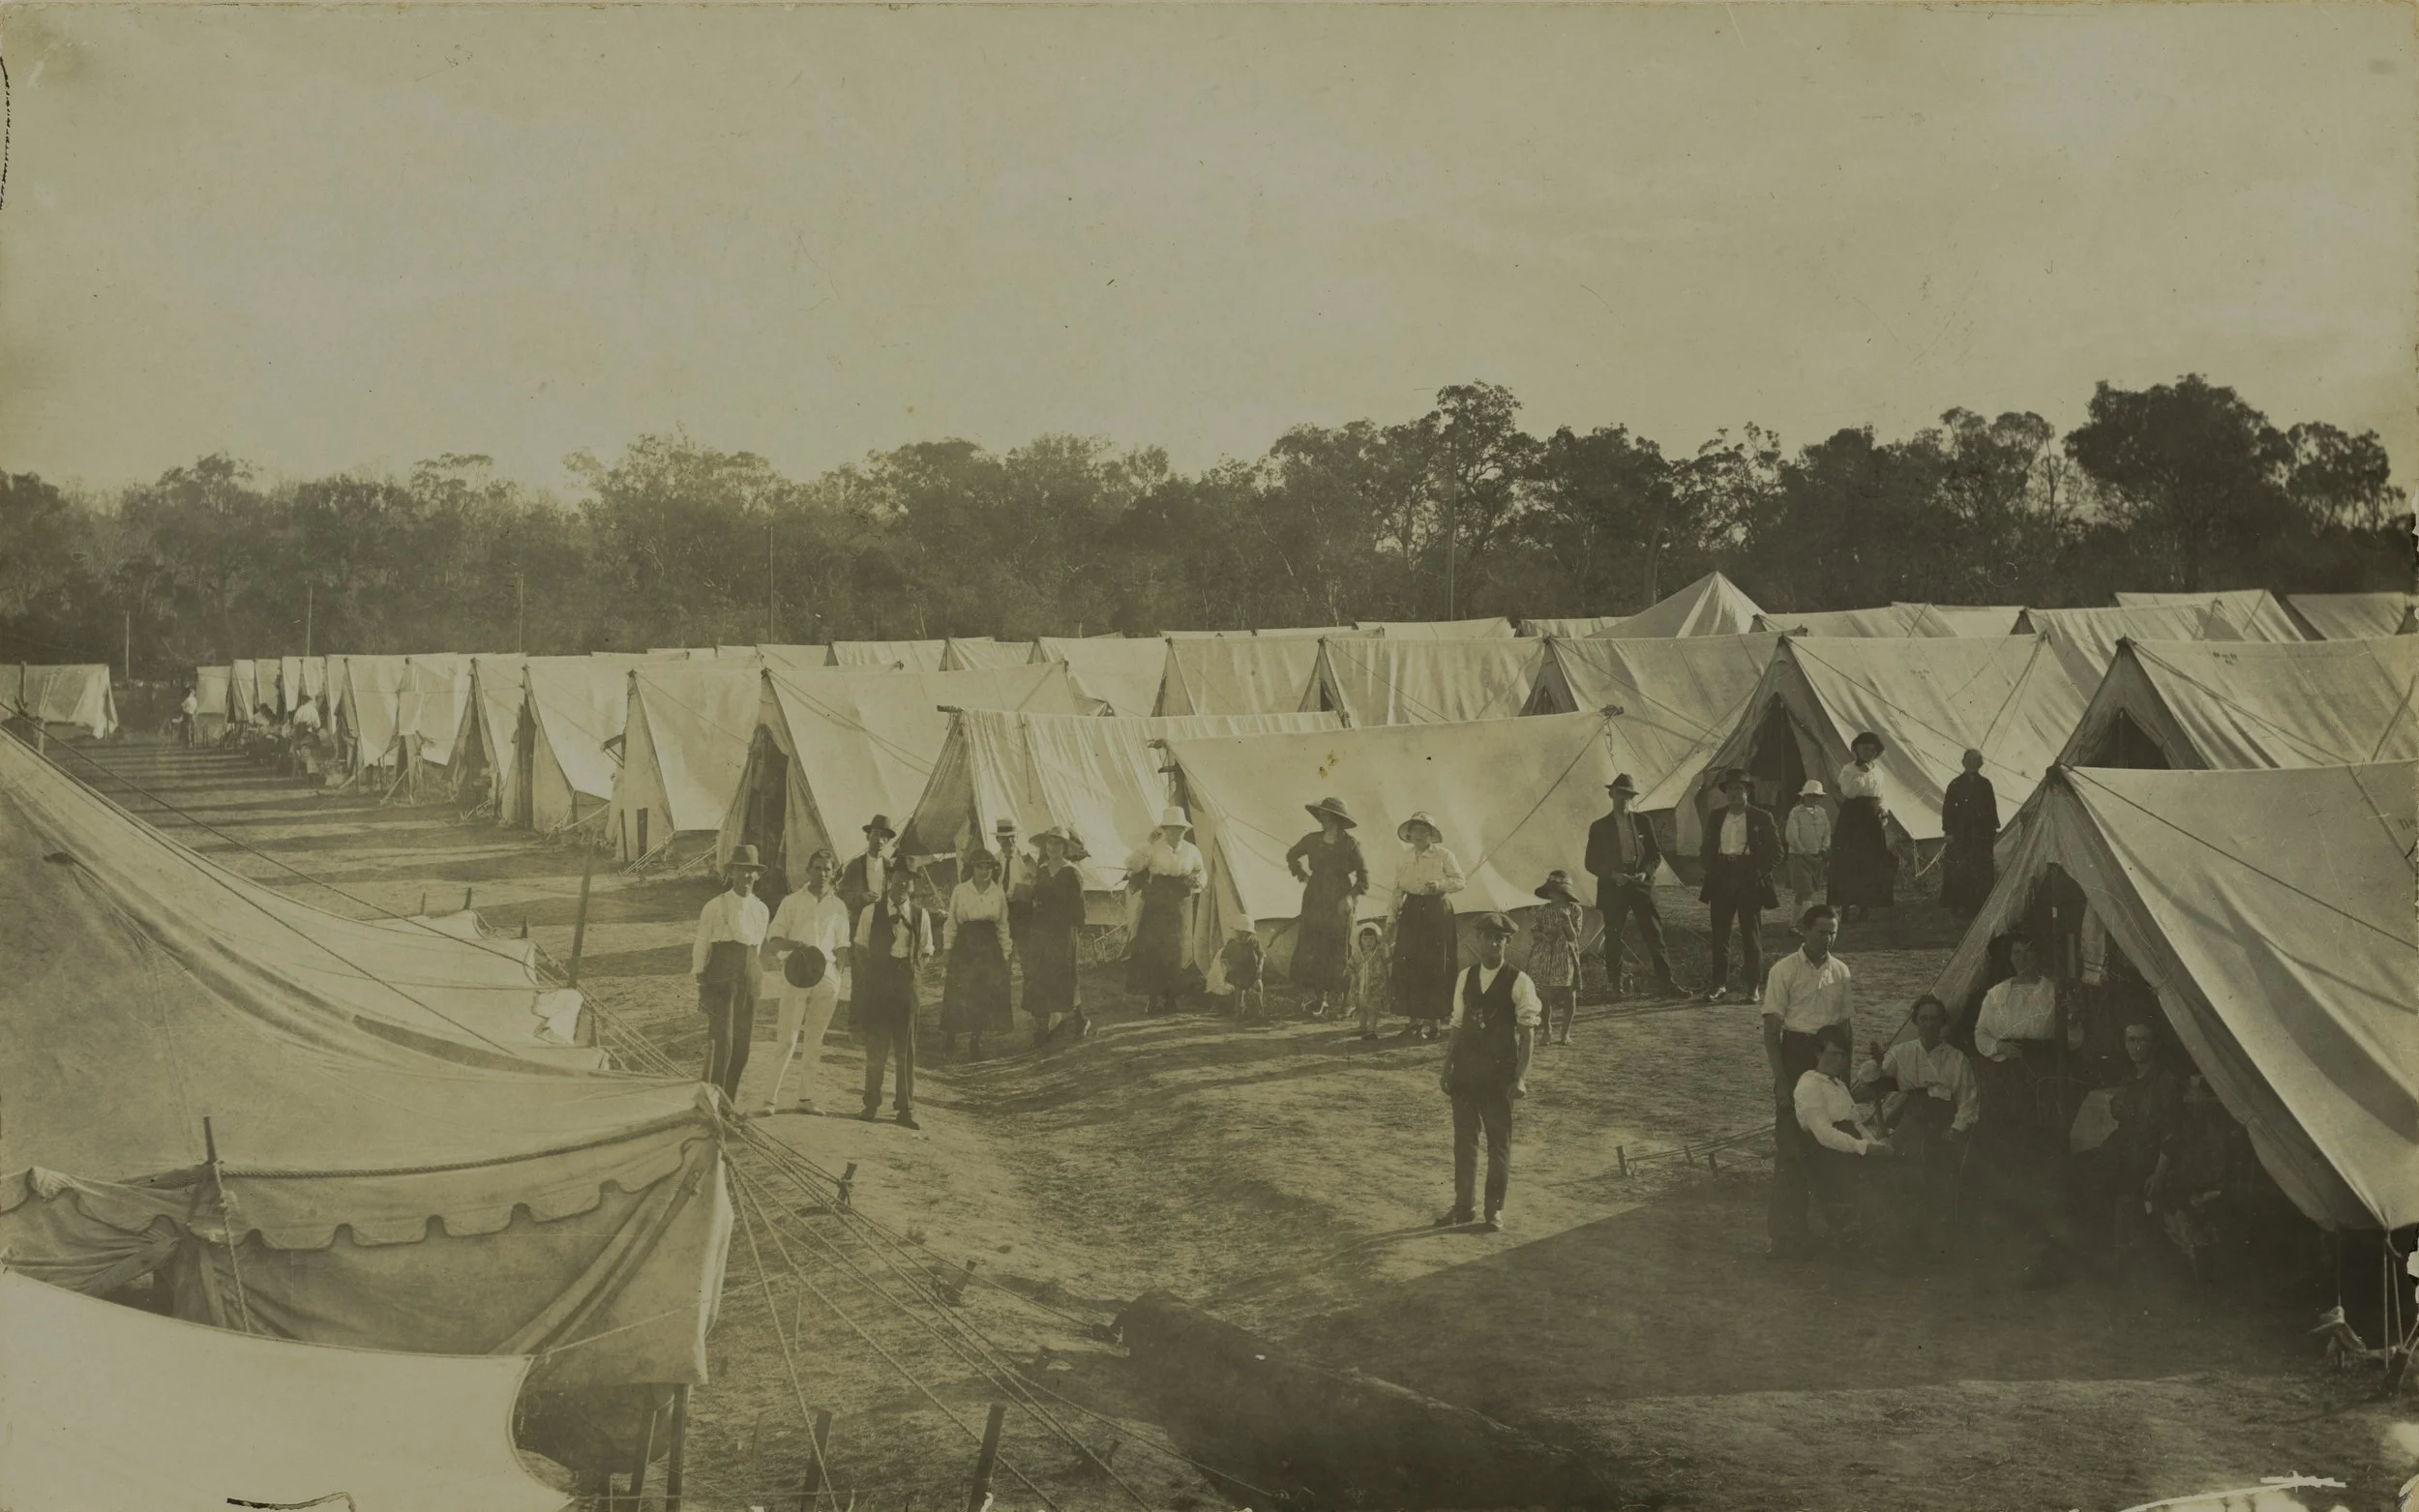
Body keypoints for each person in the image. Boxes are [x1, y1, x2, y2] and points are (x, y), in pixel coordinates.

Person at [1435, 913, 1538, 1233]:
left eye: (1499, 939)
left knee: (1498, 1142)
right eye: (1487, 937)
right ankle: (1463, 1207)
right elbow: (1456, 1023)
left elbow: (1527, 1034)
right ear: (1477, 940)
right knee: (1464, 1141)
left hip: (1498, 1076)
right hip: (1465, 1073)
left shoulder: (1519, 981)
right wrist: (1447, 1065)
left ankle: (1494, 1210)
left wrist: (1520, 1078)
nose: (1493, 944)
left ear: (1507, 942)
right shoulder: (1465, 977)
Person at [1761, 904, 1855, 1257]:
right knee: (1791, 1149)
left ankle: (1839, 1235)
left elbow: (1846, 1029)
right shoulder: (1783, 970)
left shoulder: (1841, 971)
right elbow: (1771, 1033)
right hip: (1796, 1057)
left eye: (1833, 932)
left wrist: (1845, 1078)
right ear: (1804, 930)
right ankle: (1786, 1237)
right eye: (1821, 931)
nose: (1828, 939)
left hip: (1830, 1060)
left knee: (1832, 1145)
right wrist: (1781, 1080)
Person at [1856, 994, 1978, 1253]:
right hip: (1911, 1121)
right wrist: (1876, 1065)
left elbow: (1968, 1100)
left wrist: (1956, 1128)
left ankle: (1934, 1242)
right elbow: (1874, 1077)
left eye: (1934, 1019)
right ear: (1915, 1022)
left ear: (1942, 1023)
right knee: (1899, 1173)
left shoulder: (1957, 1059)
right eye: (1923, 1019)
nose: (1929, 1024)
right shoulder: (1902, 1052)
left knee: (1937, 1176)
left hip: (1942, 1124)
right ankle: (1898, 1240)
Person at [760, 846, 851, 1113]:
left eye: (827, 869)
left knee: (815, 1040)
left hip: (827, 978)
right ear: (808, 870)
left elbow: (842, 944)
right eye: (817, 868)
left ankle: (806, 1098)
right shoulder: (791, 902)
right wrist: (795, 945)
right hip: (797, 975)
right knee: (787, 1039)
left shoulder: (838, 906)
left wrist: (837, 973)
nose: (822, 874)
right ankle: (769, 1099)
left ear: (833, 873)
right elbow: (774, 940)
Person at [1793, 1025, 1895, 1246]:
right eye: (1833, 1054)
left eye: (1843, 1055)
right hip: (1826, 1156)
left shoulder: (1838, 1085)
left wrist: (1875, 1145)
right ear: (1818, 1053)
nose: (1839, 1061)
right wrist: (1863, 1148)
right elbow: (1824, 1134)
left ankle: (1873, 1237)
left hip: (1848, 1149)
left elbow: (1857, 1124)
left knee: (1894, 1174)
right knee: (1874, 1189)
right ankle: (1864, 1239)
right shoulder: (1809, 1084)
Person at [1583, 774, 1678, 998]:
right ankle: (1616, 987)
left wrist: (1645, 872)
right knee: (1613, 936)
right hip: (1613, 887)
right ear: (1611, 794)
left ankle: (1668, 983)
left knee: (1654, 934)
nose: (1624, 799)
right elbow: (1591, 862)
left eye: (1629, 795)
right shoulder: (1599, 826)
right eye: (1620, 794)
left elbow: (1655, 854)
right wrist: (1613, 874)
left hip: (1640, 885)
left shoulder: (1643, 822)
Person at [854, 865, 934, 1128]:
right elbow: (860, 946)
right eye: (899, 878)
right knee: (877, 1046)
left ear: (913, 885)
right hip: (879, 983)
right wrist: (875, 976)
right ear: (891, 878)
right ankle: (871, 1104)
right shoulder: (871, 912)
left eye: (908, 881)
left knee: (906, 1048)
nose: (903, 885)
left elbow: (927, 950)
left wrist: (912, 973)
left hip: (907, 984)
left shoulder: (920, 915)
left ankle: (905, 1108)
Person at [692, 845, 771, 1103]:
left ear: (757, 875)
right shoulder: (715, 906)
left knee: (742, 1043)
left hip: (749, 976)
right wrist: (701, 981)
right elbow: (702, 945)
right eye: (740, 870)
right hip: (721, 977)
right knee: (721, 1042)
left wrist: (752, 976)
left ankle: (728, 1102)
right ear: (732, 873)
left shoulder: (761, 909)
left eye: (751, 871)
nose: (746, 876)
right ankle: (711, 1100)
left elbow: (757, 948)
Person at [1697, 769, 1779, 1004]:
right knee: (1720, 935)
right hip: (1721, 876)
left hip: (1749, 878)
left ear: (1747, 792)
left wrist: (1756, 873)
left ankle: (1752, 986)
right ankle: (1718, 984)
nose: (1734, 793)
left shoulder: (1761, 817)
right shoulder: (1717, 816)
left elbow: (1776, 852)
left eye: (1739, 789)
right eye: (1730, 789)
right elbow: (1706, 848)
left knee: (1750, 935)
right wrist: (1712, 868)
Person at [1286, 796, 1369, 1019]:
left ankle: (1346, 1002)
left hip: (1340, 899)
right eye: (1320, 814)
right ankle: (1320, 999)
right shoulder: (1312, 840)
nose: (1321, 817)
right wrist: (1302, 875)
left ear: (1336, 818)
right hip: (1315, 898)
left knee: (1340, 948)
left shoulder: (1350, 844)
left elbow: (1364, 877)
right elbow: (1291, 855)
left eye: (1325, 814)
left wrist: (1349, 898)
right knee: (1315, 946)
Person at [1389, 811, 1465, 1040]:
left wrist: (1440, 885)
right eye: (1415, 831)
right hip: (1412, 912)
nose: (1419, 835)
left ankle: (1434, 1025)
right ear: (1409, 834)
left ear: (1431, 834)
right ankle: (1414, 1022)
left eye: (1424, 831)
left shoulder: (1444, 855)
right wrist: (1391, 917)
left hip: (1437, 911)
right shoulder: (1404, 858)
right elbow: (1397, 889)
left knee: (1435, 965)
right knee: (1410, 964)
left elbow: (1460, 881)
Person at [1124, 808, 1205, 1015]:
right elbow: (1132, 864)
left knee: (1176, 950)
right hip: (1157, 901)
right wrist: (1147, 843)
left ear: (1184, 830)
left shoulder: (1191, 850)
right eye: (1171, 828)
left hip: (1180, 902)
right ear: (1164, 829)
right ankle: (1152, 999)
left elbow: (1201, 872)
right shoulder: (1153, 847)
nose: (1175, 833)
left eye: (1179, 829)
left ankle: (1171, 999)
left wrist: (1196, 883)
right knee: (1153, 948)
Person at [940, 846, 1014, 1060]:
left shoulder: (997, 892)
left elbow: (1003, 926)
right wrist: (947, 949)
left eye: (988, 867)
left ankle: (975, 1039)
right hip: (965, 946)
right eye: (980, 867)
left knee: (982, 993)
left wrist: (1006, 953)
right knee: (958, 991)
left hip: (988, 948)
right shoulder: (960, 890)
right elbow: (951, 922)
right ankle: (951, 1035)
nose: (984, 871)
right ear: (972, 868)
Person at [1019, 826, 1088, 1047]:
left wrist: (1074, 932)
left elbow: (1080, 909)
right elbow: (1038, 897)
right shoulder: (1042, 870)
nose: (1052, 848)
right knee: (1042, 975)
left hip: (1064, 931)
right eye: (1049, 843)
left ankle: (1080, 1020)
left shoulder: (1072, 873)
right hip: (1042, 930)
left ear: (1065, 848)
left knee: (1065, 976)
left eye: (1057, 844)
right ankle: (1048, 1025)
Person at [1828, 732, 1896, 919]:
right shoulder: (1849, 770)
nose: (1869, 753)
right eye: (1865, 749)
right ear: (1856, 749)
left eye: (1873, 750)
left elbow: (1882, 795)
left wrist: (1883, 811)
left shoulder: (1879, 771)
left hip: (1872, 820)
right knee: (1849, 861)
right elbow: (1849, 793)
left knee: (1870, 861)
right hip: (1853, 819)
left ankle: (1865, 907)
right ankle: (1846, 907)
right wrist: (1862, 774)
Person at [1528, 870, 1584, 1045]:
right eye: (1549, 891)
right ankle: (1547, 1031)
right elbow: (1534, 931)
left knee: (1569, 995)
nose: (1551, 895)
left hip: (1565, 956)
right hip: (1545, 955)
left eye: (1555, 891)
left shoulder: (1574, 910)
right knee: (1544, 996)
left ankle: (1565, 1033)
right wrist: (1544, 936)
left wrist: (1566, 921)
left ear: (1564, 893)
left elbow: (1574, 936)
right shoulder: (1543, 910)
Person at [1938, 749, 1998, 915]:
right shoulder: (1955, 784)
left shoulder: (1985, 784)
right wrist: (1948, 831)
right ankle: (1958, 904)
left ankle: (1979, 905)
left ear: (1981, 764)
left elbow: (1991, 808)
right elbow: (1948, 810)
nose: (1973, 763)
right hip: (1961, 834)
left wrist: (1992, 829)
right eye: (1970, 760)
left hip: (1981, 834)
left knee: (1980, 868)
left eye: (1977, 761)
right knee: (1960, 869)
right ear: (1963, 763)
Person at [838, 815, 899, 934]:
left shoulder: (891, 868)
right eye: (875, 834)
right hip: (858, 924)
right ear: (868, 836)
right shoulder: (855, 866)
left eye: (884, 836)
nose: (879, 839)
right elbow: (841, 895)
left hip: (882, 926)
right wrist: (861, 897)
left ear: (887, 841)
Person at [1783, 781, 1832, 924]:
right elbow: (1791, 836)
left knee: (1801, 894)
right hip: (1799, 857)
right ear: (1804, 796)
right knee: (1806, 892)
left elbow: (1827, 833)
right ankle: (1814, 925)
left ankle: (1792, 926)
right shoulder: (1796, 812)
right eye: (1810, 795)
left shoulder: (1822, 812)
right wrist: (1804, 853)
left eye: (1816, 796)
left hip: (1816, 857)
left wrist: (1823, 850)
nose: (1813, 799)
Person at [1346, 922, 1390, 1042]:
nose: (1368, 942)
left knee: (1372, 1008)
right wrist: (1353, 977)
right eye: (1365, 939)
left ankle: (1372, 1030)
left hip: (1376, 986)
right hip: (1361, 985)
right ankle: (1362, 1027)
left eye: (1371, 939)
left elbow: (1388, 961)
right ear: (1360, 940)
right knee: (1362, 1007)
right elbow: (1350, 966)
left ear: (1376, 940)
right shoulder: (1357, 955)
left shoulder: (1379, 954)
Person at [1220, 926, 1267, 1023]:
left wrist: (1260, 966)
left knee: (1257, 988)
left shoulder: (1254, 941)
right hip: (1238, 973)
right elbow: (1224, 957)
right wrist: (1229, 967)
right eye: (1241, 935)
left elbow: (1262, 955)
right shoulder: (1232, 943)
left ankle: (1260, 1015)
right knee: (1239, 993)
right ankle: (1239, 1015)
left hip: (1253, 972)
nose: (1243, 938)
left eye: (1246, 936)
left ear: (1250, 935)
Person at [178, 684, 199, 748]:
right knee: (192, 729)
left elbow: (182, 706)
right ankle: (193, 742)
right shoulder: (195, 700)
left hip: (187, 715)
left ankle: (188, 743)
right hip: (192, 715)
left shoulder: (188, 699)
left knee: (187, 729)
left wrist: (184, 708)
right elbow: (195, 707)